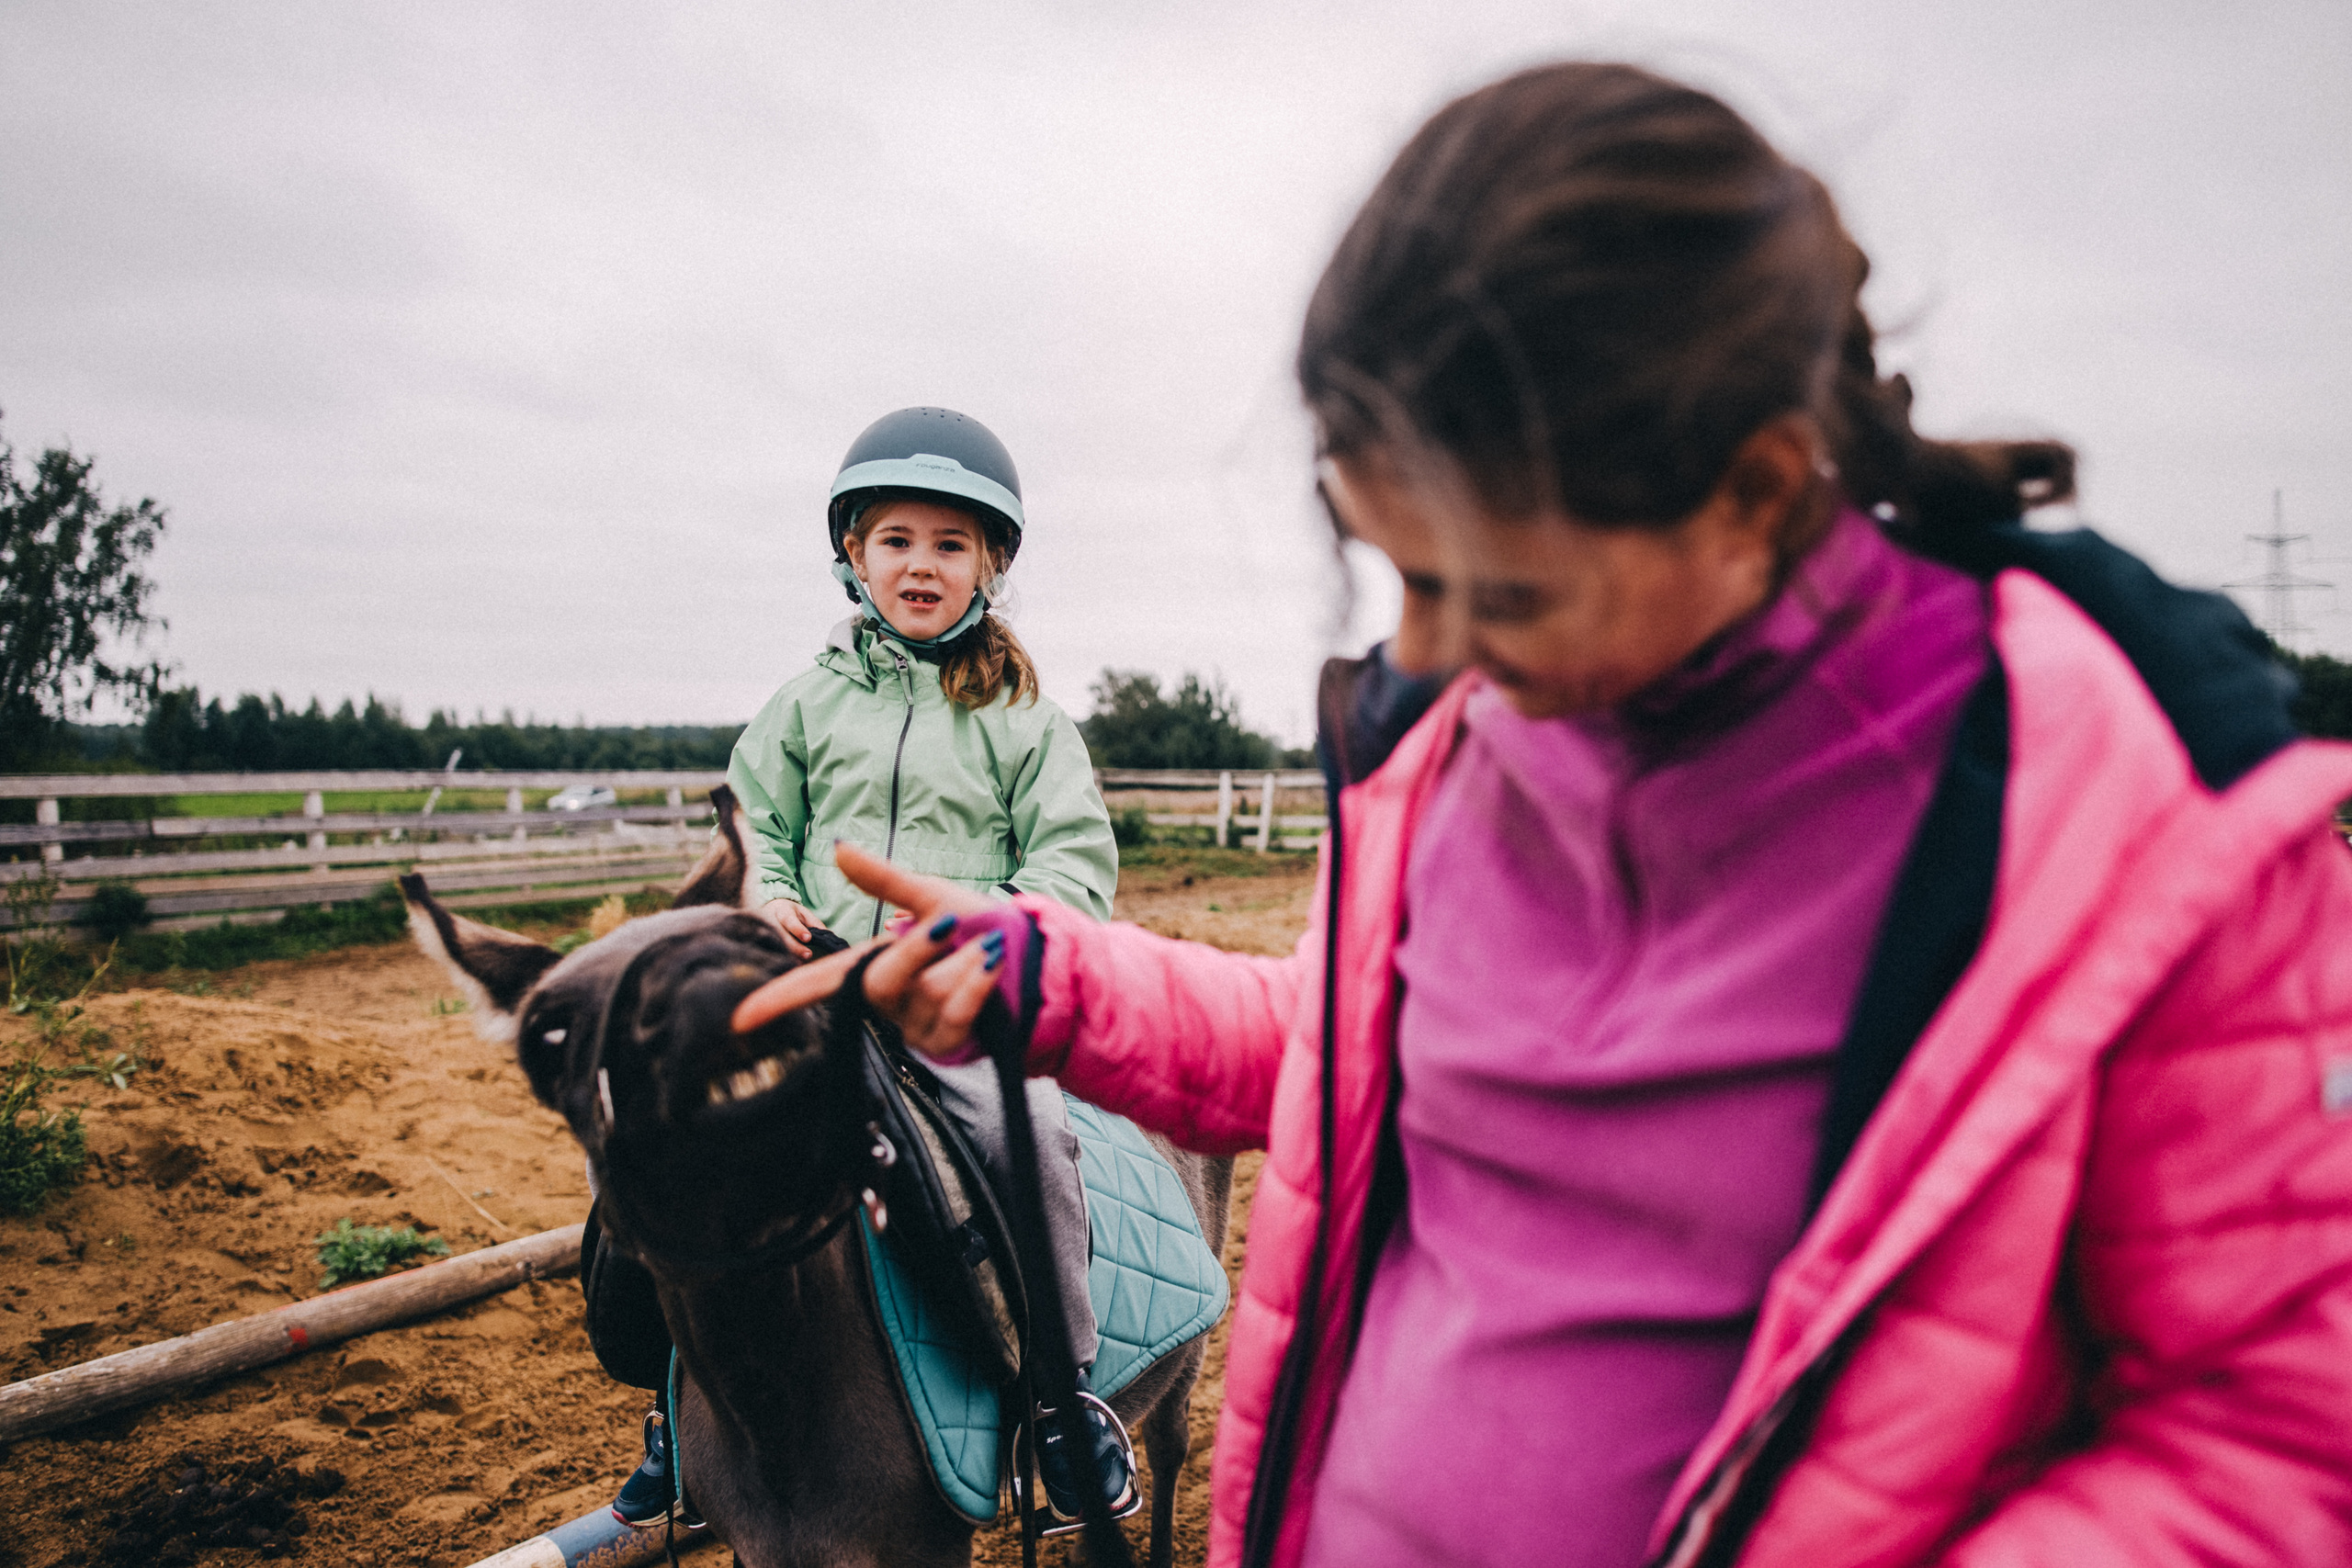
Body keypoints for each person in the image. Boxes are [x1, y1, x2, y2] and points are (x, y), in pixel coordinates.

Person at [738, 62, 2352, 1568]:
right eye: (1398, 573)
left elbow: (2280, 1434)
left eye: (1493, 587)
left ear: (1758, 488)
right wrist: (1059, 979)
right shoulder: (1473, 735)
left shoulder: (2136, 821)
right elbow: (1363, 1052)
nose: (1424, 654)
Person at [608, 405, 1132, 1529]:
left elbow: (1073, 874)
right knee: (668, 1141)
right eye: (897, 540)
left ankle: (1059, 1399)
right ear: (853, 554)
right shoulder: (803, 703)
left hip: (951, 1004)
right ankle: (673, 1400)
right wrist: (773, 898)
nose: (921, 565)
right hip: (810, 994)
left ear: (991, 563)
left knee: (1025, 1137)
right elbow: (752, 831)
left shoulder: (1026, 719)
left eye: (950, 544)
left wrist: (954, 933)